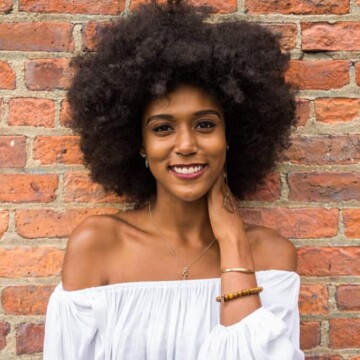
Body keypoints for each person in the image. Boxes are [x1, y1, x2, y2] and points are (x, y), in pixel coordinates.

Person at [43, 1, 304, 359]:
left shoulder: (272, 256)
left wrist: (232, 241)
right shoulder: (97, 246)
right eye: (163, 128)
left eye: (205, 124)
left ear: (231, 136)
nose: (186, 145)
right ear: (140, 145)